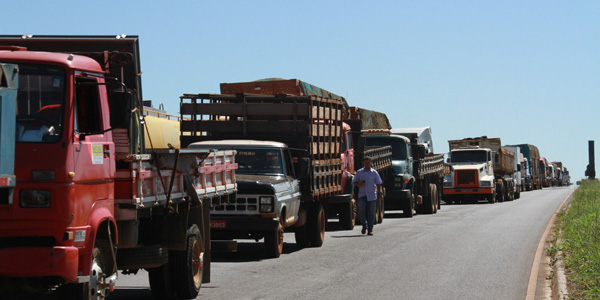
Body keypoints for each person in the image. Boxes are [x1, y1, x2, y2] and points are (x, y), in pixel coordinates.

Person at [353, 157, 383, 235]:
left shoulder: (374, 172)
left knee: (371, 213)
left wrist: (380, 192)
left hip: (372, 195)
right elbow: (354, 182)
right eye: (365, 163)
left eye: (368, 163)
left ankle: (370, 230)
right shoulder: (359, 172)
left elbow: (378, 183)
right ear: (363, 163)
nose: (367, 164)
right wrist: (359, 184)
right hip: (362, 195)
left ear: (371, 163)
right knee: (361, 210)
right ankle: (364, 225)